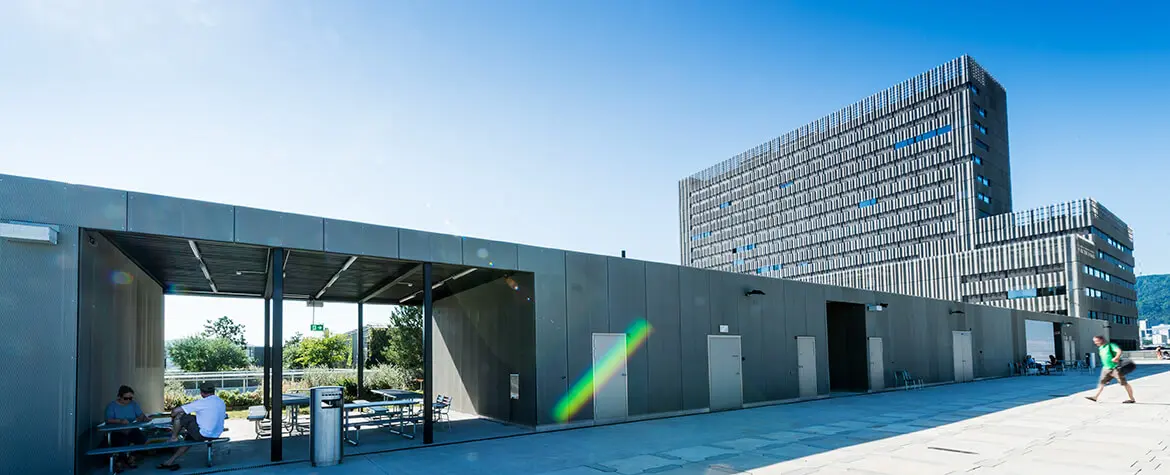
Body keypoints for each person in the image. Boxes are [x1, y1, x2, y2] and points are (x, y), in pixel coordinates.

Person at [157, 383, 225, 471]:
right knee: (190, 437)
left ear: (201, 393)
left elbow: (174, 411)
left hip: (203, 434)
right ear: (213, 391)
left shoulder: (201, 402)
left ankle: (174, 437)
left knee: (181, 415)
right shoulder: (220, 401)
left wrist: (175, 417)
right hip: (216, 433)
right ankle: (170, 461)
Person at [105, 385, 149, 471]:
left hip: (132, 429)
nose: (128, 400)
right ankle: (121, 460)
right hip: (117, 431)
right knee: (122, 442)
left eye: (130, 398)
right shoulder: (112, 406)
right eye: (126, 398)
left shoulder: (133, 404)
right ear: (120, 396)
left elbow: (140, 414)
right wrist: (120, 421)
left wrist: (143, 418)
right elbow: (108, 420)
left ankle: (132, 457)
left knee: (142, 439)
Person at [1086, 335, 1135, 404]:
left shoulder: (1110, 345)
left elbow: (1119, 351)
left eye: (1096, 341)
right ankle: (1095, 397)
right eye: (1094, 341)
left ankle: (1132, 399)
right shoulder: (1101, 348)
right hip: (1106, 368)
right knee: (1102, 383)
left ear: (1101, 340)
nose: (1095, 343)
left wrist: (1116, 357)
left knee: (1124, 383)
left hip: (1115, 368)